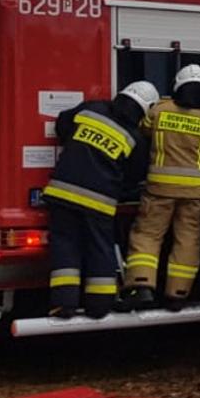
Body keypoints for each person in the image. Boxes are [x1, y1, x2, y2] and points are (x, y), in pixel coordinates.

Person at [43, 81, 158, 318]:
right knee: (100, 248)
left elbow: (62, 125)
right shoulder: (135, 138)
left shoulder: (91, 108)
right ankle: (99, 305)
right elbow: (134, 176)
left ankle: (64, 304)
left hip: (62, 192)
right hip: (99, 202)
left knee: (65, 246)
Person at [125, 65, 200, 310]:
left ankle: (142, 286)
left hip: (158, 190)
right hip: (196, 195)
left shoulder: (159, 112)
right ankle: (178, 294)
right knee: (188, 240)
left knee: (147, 236)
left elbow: (140, 137)